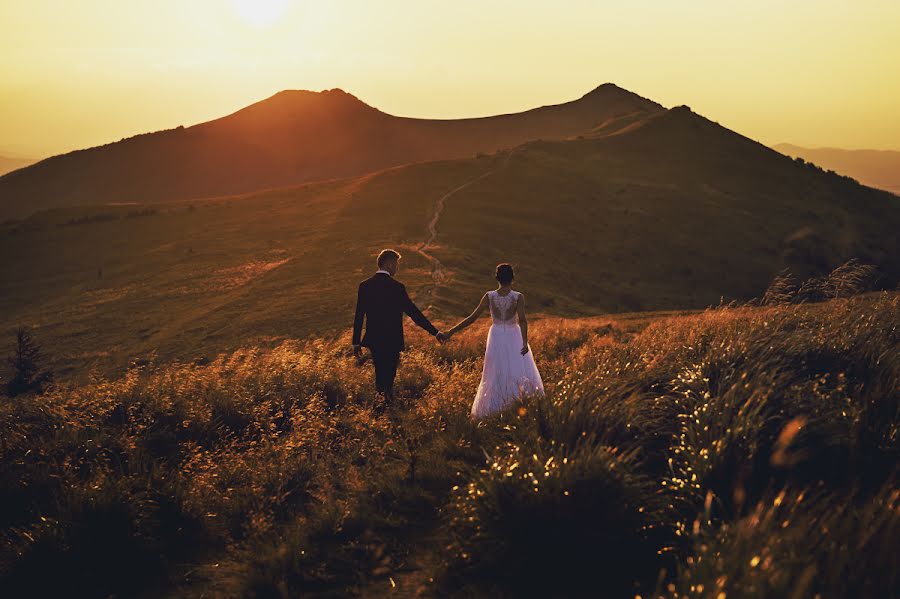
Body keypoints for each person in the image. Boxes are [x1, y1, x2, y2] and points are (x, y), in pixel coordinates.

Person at [445, 263, 544, 419]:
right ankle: (517, 405)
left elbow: (472, 318)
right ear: (512, 278)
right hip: (514, 335)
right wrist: (524, 342)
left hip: (496, 335)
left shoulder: (489, 296)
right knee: (516, 369)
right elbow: (523, 320)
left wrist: (451, 331)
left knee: (495, 371)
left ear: (497, 278)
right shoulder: (518, 297)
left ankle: (496, 407)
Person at [352, 249, 447, 404]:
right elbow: (414, 314)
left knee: (379, 372)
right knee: (390, 374)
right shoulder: (397, 287)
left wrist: (356, 342)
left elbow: (359, 315)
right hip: (392, 339)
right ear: (389, 264)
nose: (397, 268)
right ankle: (387, 404)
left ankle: (381, 404)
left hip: (374, 339)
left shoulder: (365, 286)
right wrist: (435, 332)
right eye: (396, 264)